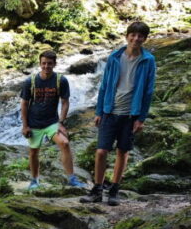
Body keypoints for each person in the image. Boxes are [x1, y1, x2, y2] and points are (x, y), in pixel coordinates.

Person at [80, 20, 155, 206]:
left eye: (140, 36)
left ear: (144, 39)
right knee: (101, 151)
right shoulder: (114, 57)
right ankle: (97, 189)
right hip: (109, 111)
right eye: (133, 35)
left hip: (130, 114)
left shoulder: (148, 60)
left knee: (123, 151)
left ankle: (114, 189)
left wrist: (141, 118)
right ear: (127, 36)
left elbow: (148, 91)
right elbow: (104, 85)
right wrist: (99, 111)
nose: (136, 39)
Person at [20, 49, 88, 191]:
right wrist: (25, 126)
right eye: (44, 63)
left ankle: (72, 179)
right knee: (33, 152)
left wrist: (61, 122)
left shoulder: (60, 80)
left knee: (65, 143)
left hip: (52, 122)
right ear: (40, 64)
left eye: (49, 63)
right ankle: (34, 180)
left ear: (55, 64)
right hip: (34, 124)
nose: (46, 66)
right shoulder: (30, 81)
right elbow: (24, 104)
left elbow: (65, 102)